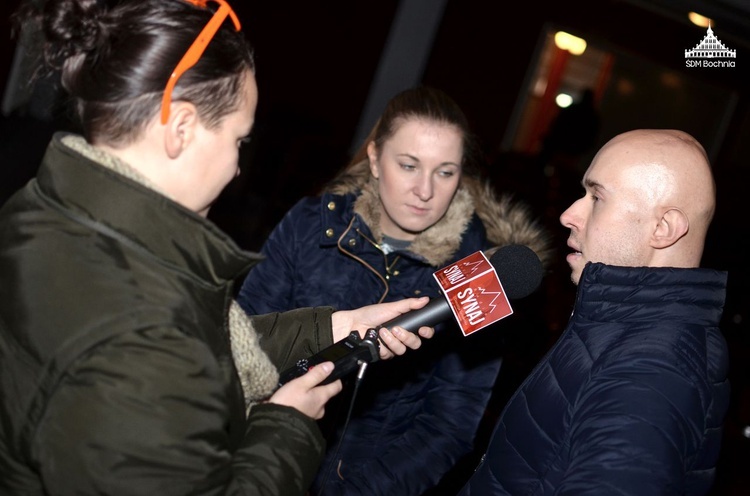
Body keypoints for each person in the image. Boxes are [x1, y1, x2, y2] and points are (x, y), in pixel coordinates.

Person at [0, 1, 435, 495]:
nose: (236, 169)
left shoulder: (46, 206)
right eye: (239, 141)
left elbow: (194, 345)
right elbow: (159, 350)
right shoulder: (141, 335)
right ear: (181, 128)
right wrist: (285, 427)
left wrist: (334, 327)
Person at [237, 85, 551, 495]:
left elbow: (449, 426)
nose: (425, 191)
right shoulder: (311, 226)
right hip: (261, 463)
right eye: (408, 165)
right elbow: (243, 344)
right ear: (374, 159)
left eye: (445, 172)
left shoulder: (480, 277)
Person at [459, 129, 730, 495]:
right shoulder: (620, 327)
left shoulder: (654, 370)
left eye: (597, 197)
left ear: (663, 228)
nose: (570, 214)